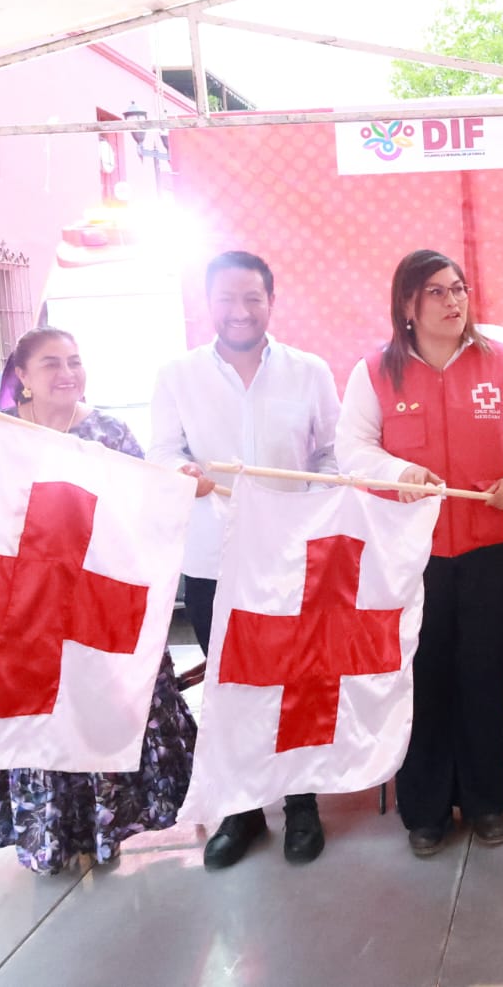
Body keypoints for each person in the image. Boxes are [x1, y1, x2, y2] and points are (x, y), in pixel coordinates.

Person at [0, 326, 197, 875]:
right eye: (51, 363)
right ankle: (52, 838)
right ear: (22, 377)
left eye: (75, 361)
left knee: (100, 712)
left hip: (98, 604)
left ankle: (102, 832)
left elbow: (145, 505)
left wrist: (181, 486)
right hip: (26, 611)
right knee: (39, 722)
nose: (67, 373)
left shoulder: (109, 432)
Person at [337, 248, 503, 857]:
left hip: (490, 548)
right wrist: (398, 469)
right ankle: (425, 809)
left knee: (482, 674)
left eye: (458, 289)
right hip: (409, 554)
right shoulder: (375, 372)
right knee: (423, 677)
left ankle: (486, 802)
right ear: (407, 304)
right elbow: (352, 450)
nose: (453, 301)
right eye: (436, 291)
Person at [147, 250, 341, 869]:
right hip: (212, 558)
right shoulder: (178, 375)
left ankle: (302, 805)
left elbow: (333, 457)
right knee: (231, 684)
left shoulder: (308, 371)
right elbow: (161, 452)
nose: (239, 311)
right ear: (209, 304)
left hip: (289, 556)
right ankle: (243, 811)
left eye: (252, 298)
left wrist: (309, 506)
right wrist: (181, 474)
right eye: (227, 299)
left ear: (270, 302)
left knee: (296, 680)